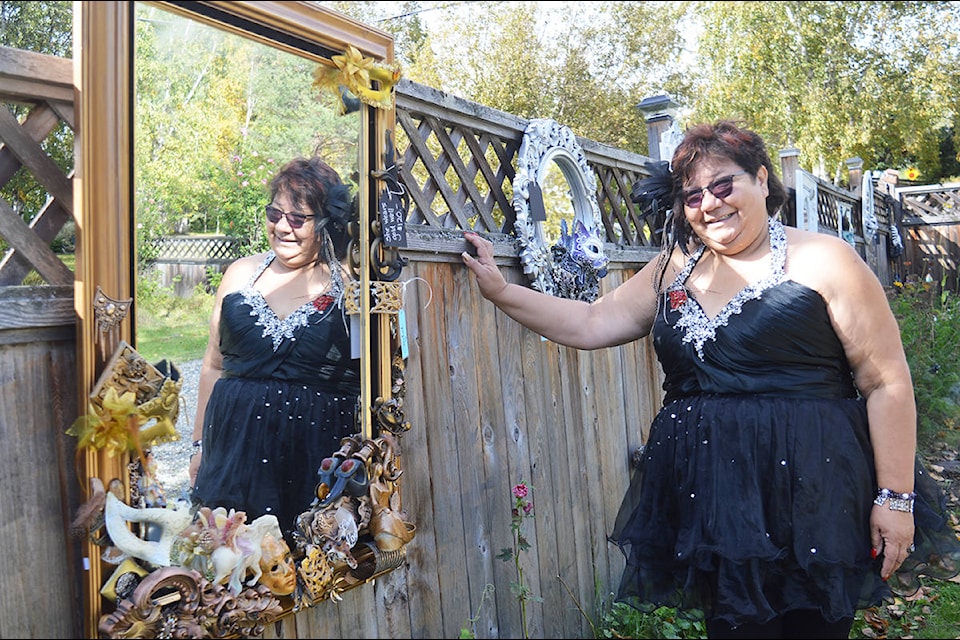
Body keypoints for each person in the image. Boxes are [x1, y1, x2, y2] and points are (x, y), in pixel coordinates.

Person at [462, 120, 960, 639]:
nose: (711, 203)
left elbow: (886, 382)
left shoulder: (825, 260)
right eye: (693, 194)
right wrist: (502, 292)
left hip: (815, 493)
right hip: (714, 498)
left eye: (724, 185)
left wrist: (895, 497)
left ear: (762, 181)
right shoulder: (672, 267)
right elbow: (591, 323)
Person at [190, 155, 361, 545]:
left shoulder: (352, 284)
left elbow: (378, 376)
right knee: (230, 565)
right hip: (232, 455)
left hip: (312, 459)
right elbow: (213, 366)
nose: (282, 226)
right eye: (274, 213)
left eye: (298, 219)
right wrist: (198, 448)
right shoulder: (240, 273)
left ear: (326, 223)